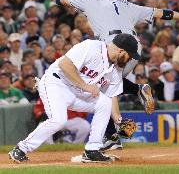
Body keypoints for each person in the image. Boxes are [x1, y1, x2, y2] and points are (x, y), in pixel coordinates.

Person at [48, 0, 179, 151]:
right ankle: (136, 92)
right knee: (105, 87)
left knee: (95, 89)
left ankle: (113, 135)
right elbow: (159, 13)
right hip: (135, 48)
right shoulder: (125, 4)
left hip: (113, 46)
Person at [8, 33, 140, 163]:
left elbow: (111, 96)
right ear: (121, 51)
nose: (130, 60)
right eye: (130, 56)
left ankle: (92, 150)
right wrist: (85, 86)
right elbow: (64, 64)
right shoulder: (91, 47)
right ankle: (20, 149)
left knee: (104, 102)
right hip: (56, 84)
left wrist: (119, 120)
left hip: (78, 94)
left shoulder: (116, 69)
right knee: (58, 120)